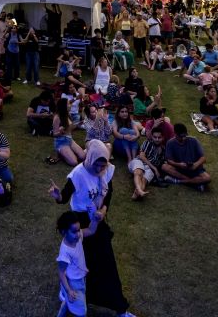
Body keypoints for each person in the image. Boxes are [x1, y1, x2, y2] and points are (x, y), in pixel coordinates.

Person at [47, 140, 136, 317]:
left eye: (103, 165)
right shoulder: (78, 174)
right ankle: (68, 293)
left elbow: (108, 193)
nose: (100, 170)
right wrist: (57, 196)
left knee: (107, 264)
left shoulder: (106, 170)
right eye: (97, 165)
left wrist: (102, 210)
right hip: (80, 222)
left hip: (96, 219)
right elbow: (64, 197)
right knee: (79, 264)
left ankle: (120, 309)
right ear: (90, 159)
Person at [55, 210, 101, 317]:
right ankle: (67, 296)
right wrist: (69, 290)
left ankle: (63, 309)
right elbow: (61, 273)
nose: (78, 234)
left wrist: (95, 219)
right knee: (82, 311)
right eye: (74, 231)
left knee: (77, 301)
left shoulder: (77, 236)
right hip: (73, 283)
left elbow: (90, 230)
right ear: (63, 232)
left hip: (81, 278)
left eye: (78, 230)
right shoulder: (65, 253)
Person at [160, 123, 211, 190]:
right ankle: (194, 183)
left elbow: (203, 158)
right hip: (179, 168)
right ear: (175, 134)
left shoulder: (194, 141)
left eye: (185, 135)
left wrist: (195, 165)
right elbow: (169, 160)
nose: (183, 138)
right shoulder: (170, 143)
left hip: (194, 169)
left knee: (207, 178)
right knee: (164, 167)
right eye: (181, 136)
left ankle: (179, 181)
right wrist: (179, 164)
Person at [129, 124, 167, 201]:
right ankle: (139, 190)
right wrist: (155, 169)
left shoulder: (164, 149)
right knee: (139, 172)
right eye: (155, 137)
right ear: (152, 137)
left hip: (150, 169)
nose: (157, 139)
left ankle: (137, 193)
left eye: (159, 137)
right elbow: (142, 156)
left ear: (163, 138)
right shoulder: (148, 143)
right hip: (140, 162)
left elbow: (163, 163)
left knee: (144, 181)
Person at [52, 98, 85, 167]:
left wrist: (78, 124)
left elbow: (69, 129)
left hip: (69, 140)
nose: (70, 105)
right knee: (74, 162)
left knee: (83, 157)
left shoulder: (67, 115)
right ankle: (61, 153)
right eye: (68, 104)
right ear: (63, 106)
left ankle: (69, 152)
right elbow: (54, 135)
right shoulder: (57, 118)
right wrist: (60, 132)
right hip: (61, 142)